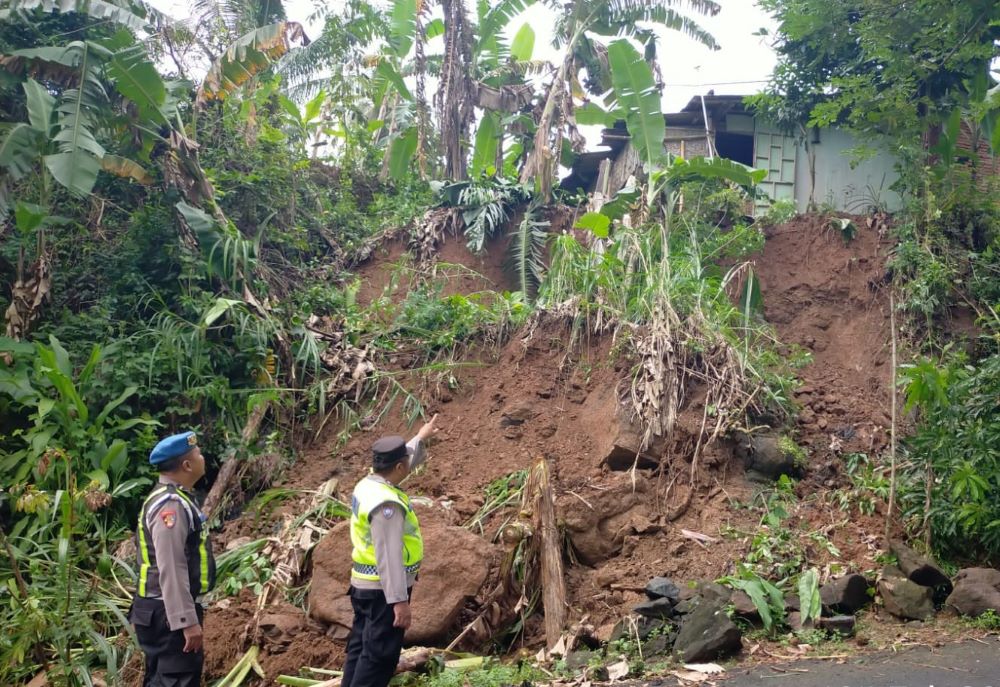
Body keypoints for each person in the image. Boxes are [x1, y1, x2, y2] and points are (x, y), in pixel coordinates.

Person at [342, 414, 440, 687]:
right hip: (383, 592)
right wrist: (399, 602)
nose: (409, 463)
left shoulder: (369, 484)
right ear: (398, 466)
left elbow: (401, 459)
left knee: (360, 648)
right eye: (405, 462)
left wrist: (420, 437)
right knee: (380, 658)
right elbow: (389, 556)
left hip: (364, 586)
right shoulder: (387, 505)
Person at [128, 431, 217, 687]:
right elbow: (171, 566)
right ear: (187, 465)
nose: (202, 457)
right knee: (176, 679)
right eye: (198, 454)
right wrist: (186, 621)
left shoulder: (169, 497)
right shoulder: (171, 505)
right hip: (168, 614)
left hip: (157, 610)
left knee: (160, 679)